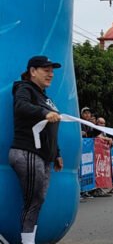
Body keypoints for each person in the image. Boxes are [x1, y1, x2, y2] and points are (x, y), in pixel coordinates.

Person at [9, 55, 63, 244]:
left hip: (43, 156)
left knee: (37, 201)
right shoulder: (24, 88)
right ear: (33, 71)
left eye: (52, 70)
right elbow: (21, 106)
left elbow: (49, 127)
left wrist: (56, 153)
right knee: (33, 201)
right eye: (46, 70)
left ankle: (30, 240)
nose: (51, 74)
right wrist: (44, 112)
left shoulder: (44, 96)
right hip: (27, 151)